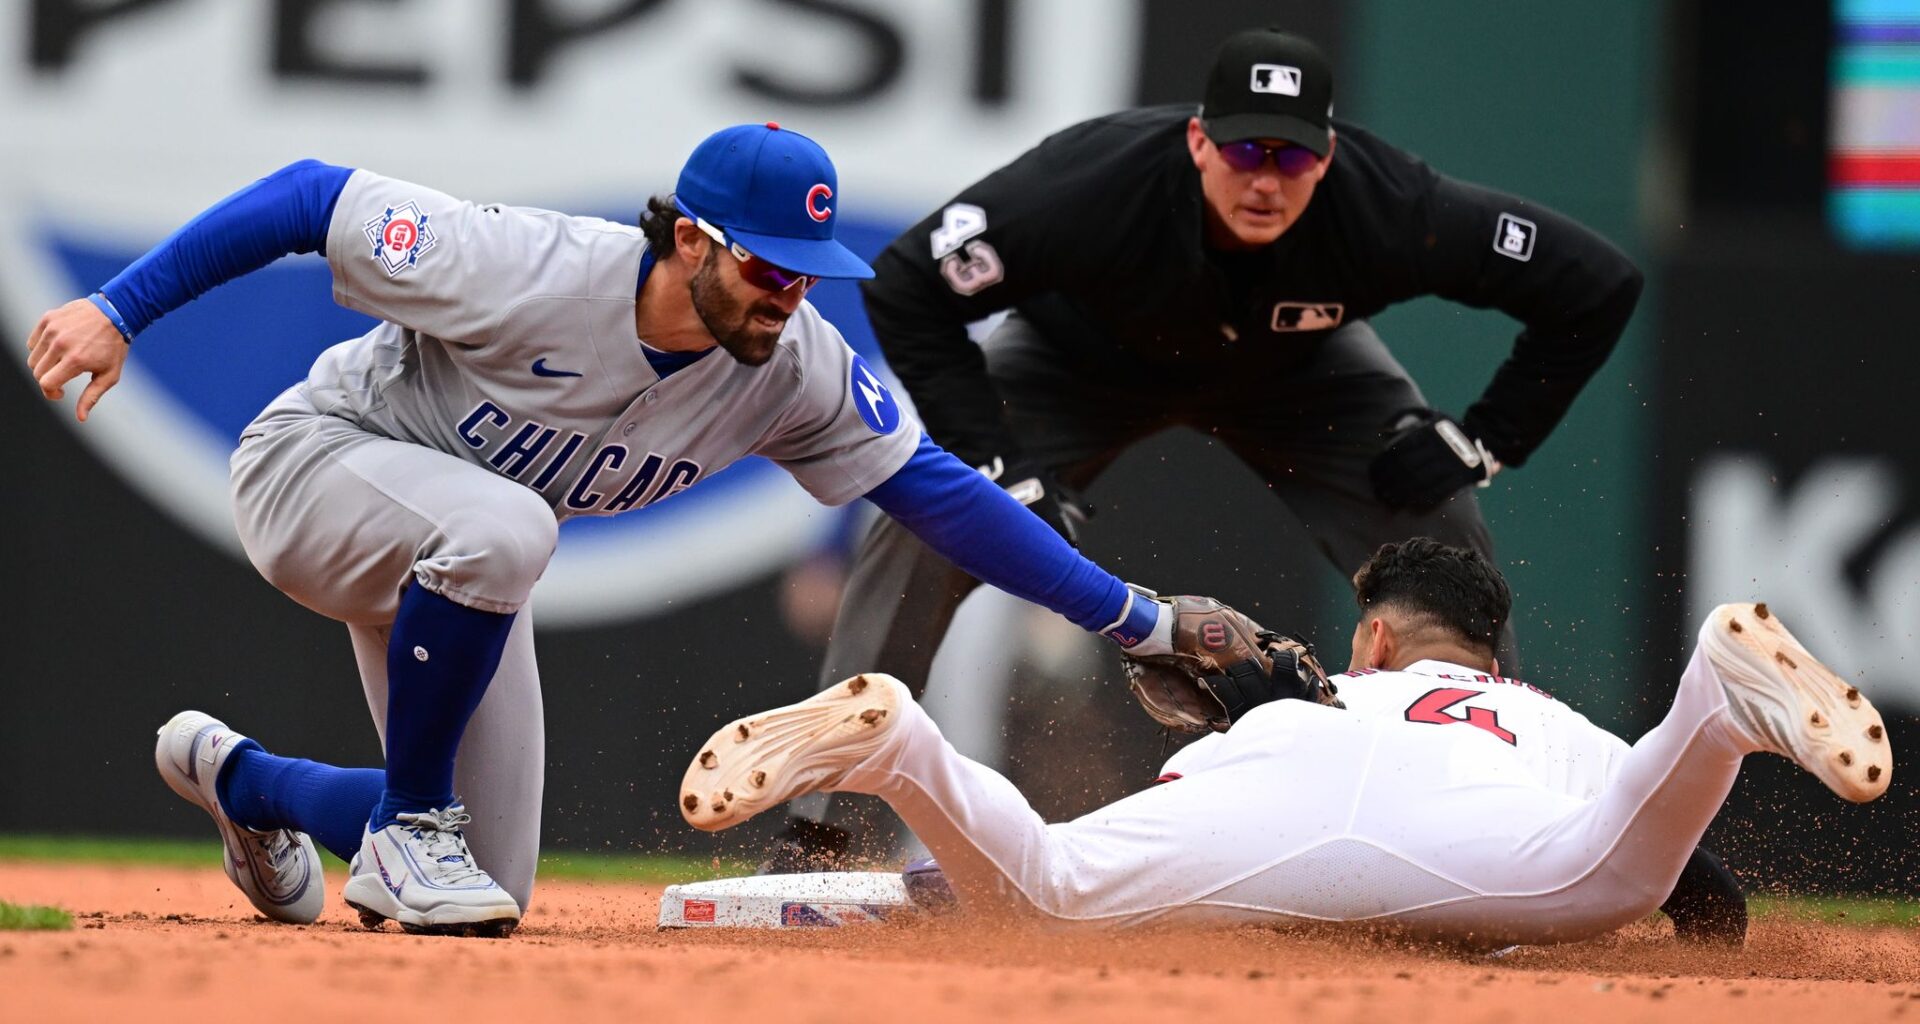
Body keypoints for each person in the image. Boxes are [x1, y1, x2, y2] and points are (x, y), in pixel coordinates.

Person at [27, 123, 1240, 938]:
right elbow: (307, 194)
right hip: (315, 471)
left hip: (459, 557)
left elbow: (938, 491)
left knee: (493, 885)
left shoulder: (794, 367)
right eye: (768, 269)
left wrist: (1136, 619)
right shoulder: (529, 265)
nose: (790, 297)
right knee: (509, 532)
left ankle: (245, 782)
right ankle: (409, 829)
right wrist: (118, 310)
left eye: (808, 274)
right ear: (692, 239)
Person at [771, 26, 1645, 868]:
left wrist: (1484, 439)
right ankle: (823, 834)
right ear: (1198, 141)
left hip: (1299, 374)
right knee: (929, 518)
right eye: (1245, 151)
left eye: (1293, 158)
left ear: (1328, 157)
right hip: (1077, 364)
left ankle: (1509, 823)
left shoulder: (1388, 204)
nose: (1266, 179)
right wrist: (1002, 465)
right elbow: (908, 283)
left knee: (1440, 536)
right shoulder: (1094, 180)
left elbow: (1595, 283)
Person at [684, 539, 1892, 947]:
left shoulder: (1305, 692)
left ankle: (901, 744)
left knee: (1042, 883)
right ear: (1492, 655)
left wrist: (924, 892)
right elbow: (1703, 895)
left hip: (1267, 779)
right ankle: (1717, 701)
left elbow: (991, 878)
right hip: (1467, 825)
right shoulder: (1544, 720)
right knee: (1608, 874)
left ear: (1373, 636)